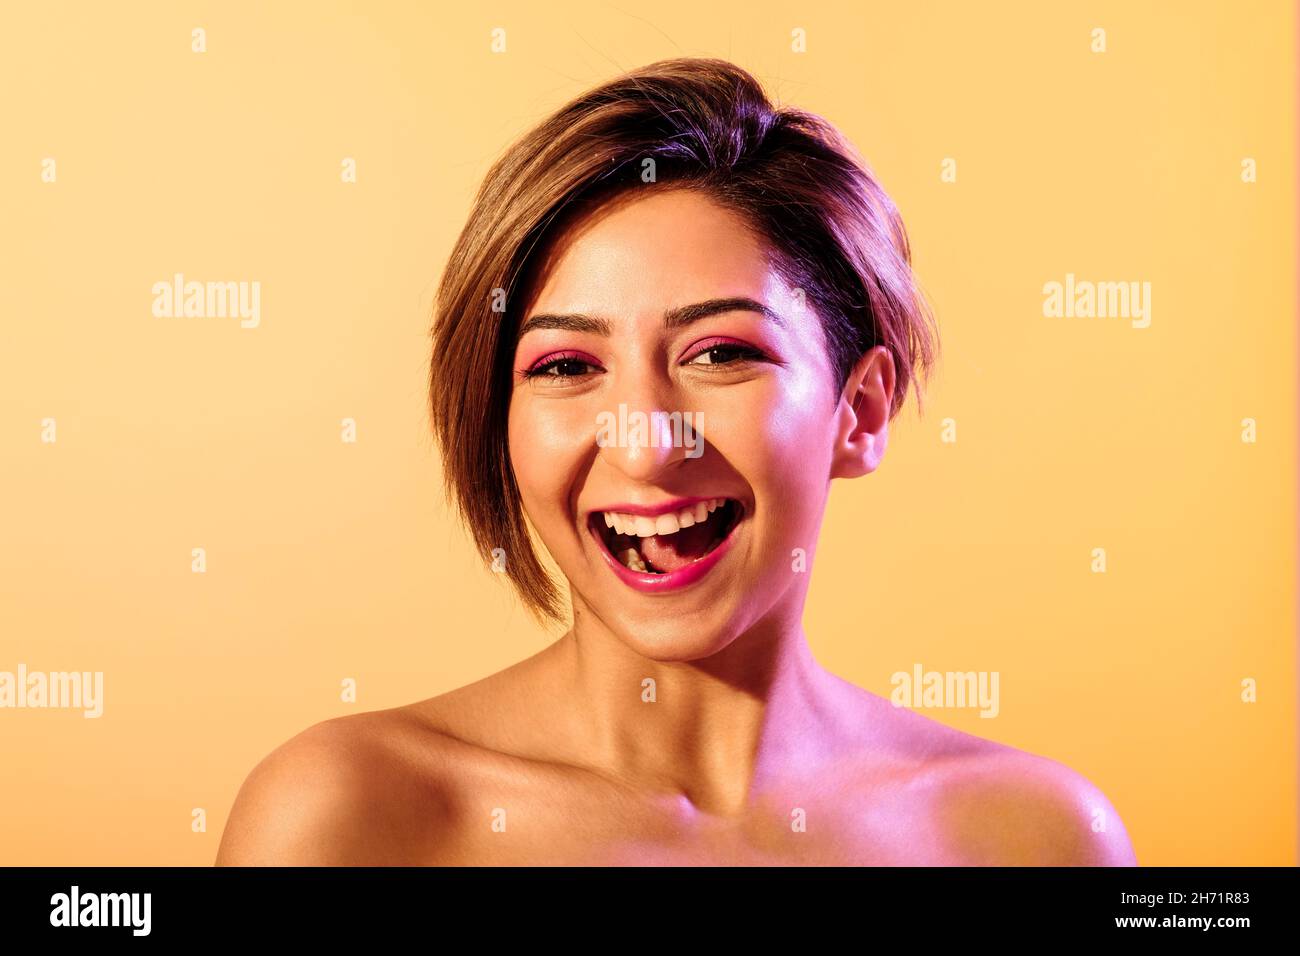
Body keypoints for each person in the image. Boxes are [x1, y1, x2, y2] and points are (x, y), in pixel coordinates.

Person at [216, 57, 1137, 866]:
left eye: (721, 354)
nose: (649, 446)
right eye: (567, 367)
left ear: (859, 411)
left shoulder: (1035, 836)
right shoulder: (347, 819)